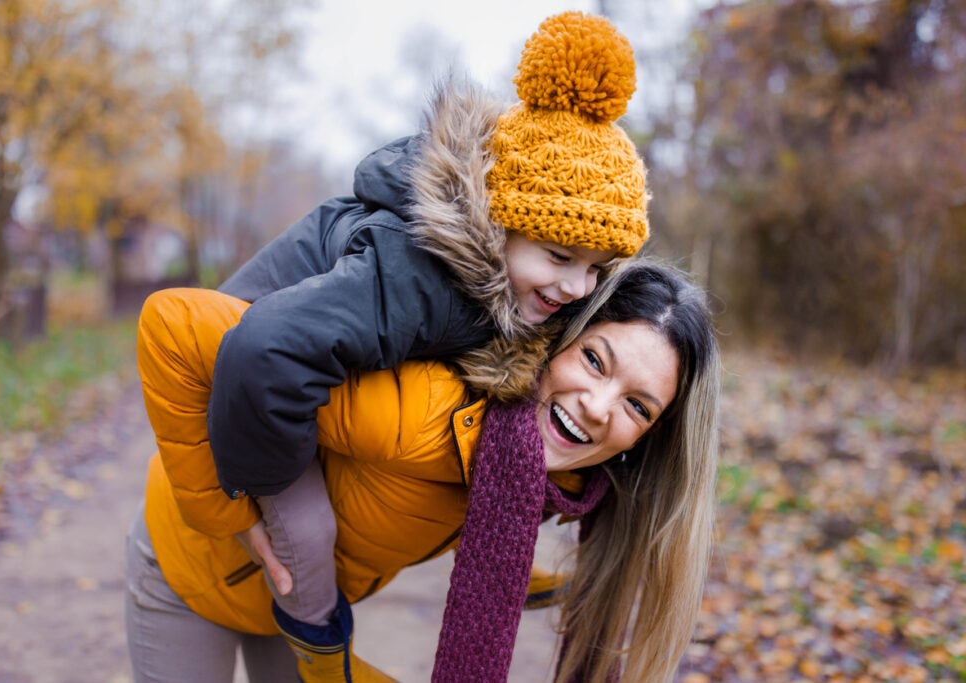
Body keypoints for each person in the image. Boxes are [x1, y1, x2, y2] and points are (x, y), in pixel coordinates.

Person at [198, 10, 651, 674]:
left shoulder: (510, 283)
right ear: (497, 227)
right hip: (243, 380)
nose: (578, 286)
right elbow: (259, 350)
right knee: (311, 528)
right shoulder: (415, 278)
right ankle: (319, 634)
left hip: (300, 354)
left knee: (480, 408)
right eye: (559, 255)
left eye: (597, 266)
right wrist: (253, 489)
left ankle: (498, 546)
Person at [128, 260, 721, 683]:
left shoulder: (551, 474)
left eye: (637, 406)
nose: (597, 405)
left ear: (649, 437)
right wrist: (226, 514)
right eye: (594, 359)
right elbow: (176, 325)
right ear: (557, 341)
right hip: (192, 566)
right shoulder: (420, 413)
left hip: (305, 607)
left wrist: (505, 567)